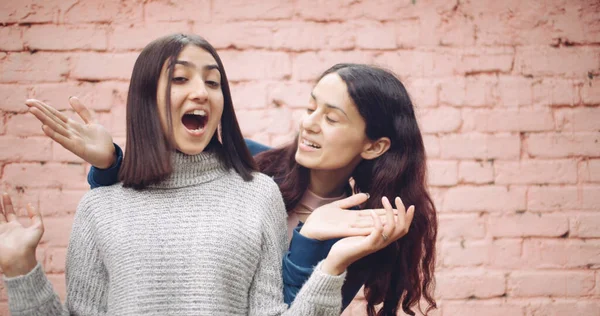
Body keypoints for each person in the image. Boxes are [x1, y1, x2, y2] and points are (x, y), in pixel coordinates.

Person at [0, 34, 408, 316]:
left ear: (374, 146)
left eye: (212, 82)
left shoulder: (260, 194)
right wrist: (21, 270)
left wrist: (332, 260)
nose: (201, 91)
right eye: (180, 78)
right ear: (146, 98)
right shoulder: (101, 204)